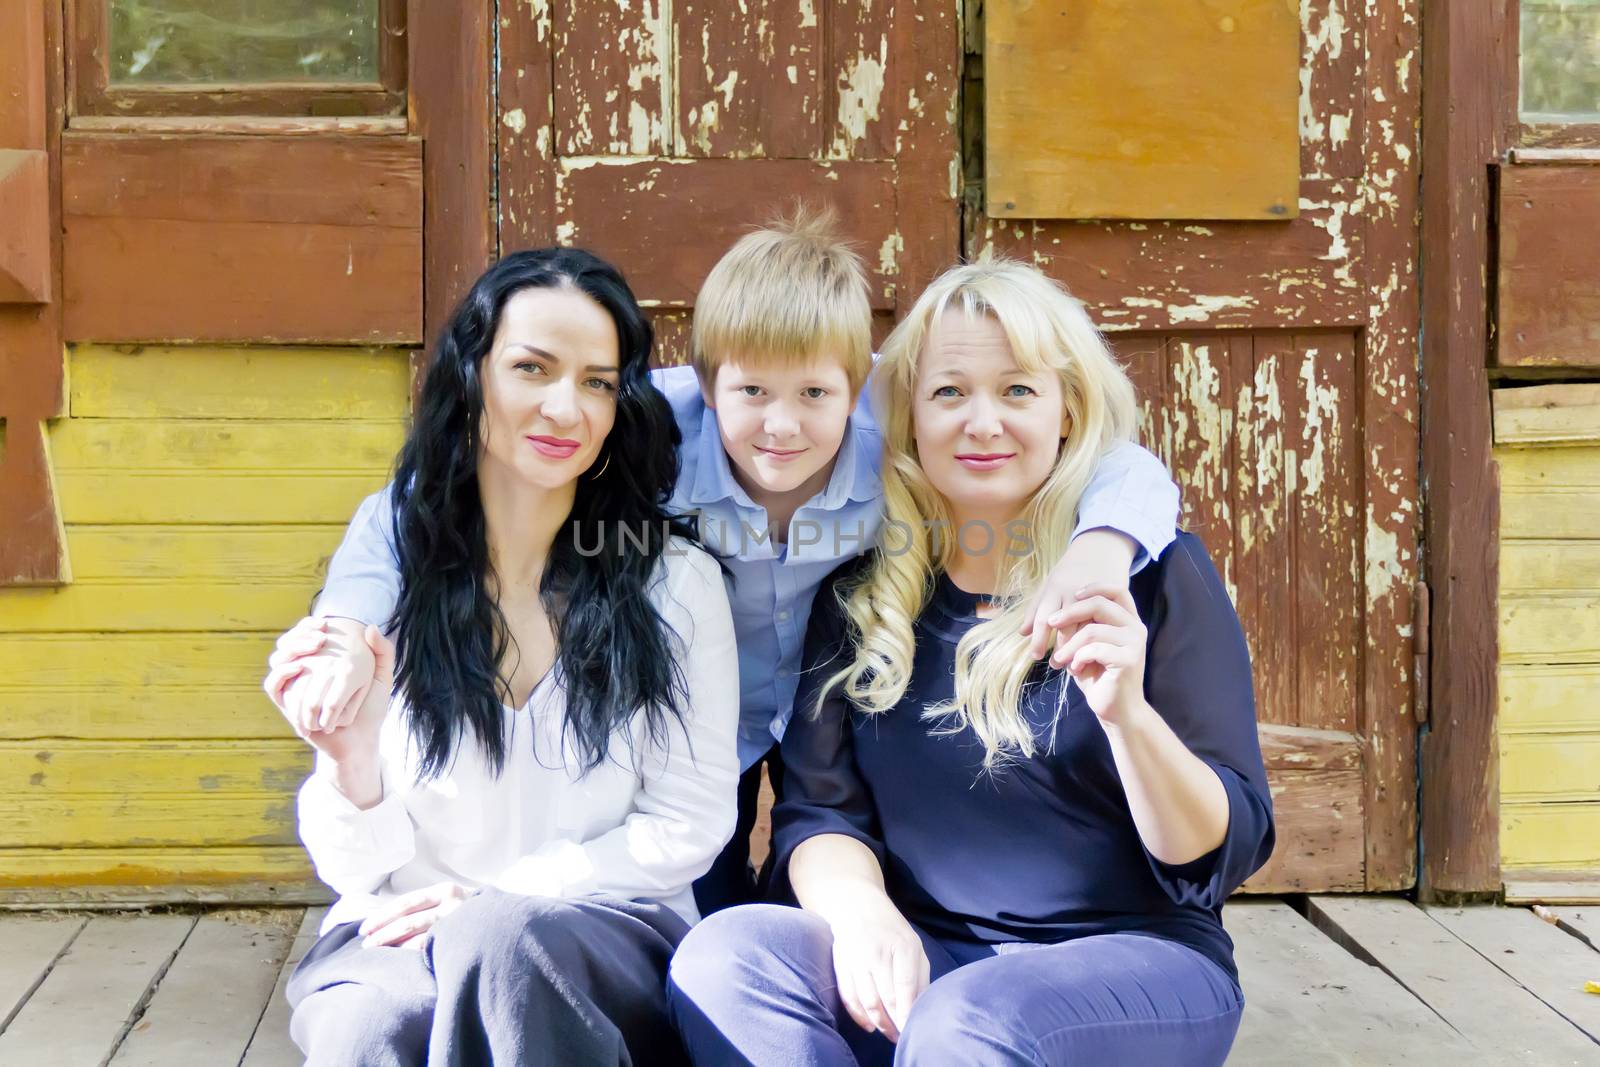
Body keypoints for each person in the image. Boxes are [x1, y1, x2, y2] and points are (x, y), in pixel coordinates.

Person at [265, 209, 1182, 917]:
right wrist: (347, 626)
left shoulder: (885, 443)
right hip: (703, 731)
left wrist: (1100, 551)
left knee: (833, 906)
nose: (780, 426)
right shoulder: (653, 429)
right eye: (749, 392)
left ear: (855, 387)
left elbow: (1126, 469)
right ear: (707, 383)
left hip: (840, 716)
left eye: (815, 394)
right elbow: (419, 497)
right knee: (694, 928)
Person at [667, 259, 1274, 1066]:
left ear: (1068, 412)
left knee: (969, 1020)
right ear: (906, 419)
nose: (982, 422)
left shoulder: (1152, 577)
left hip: (1134, 964)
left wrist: (1128, 715)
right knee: (723, 956)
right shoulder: (863, 589)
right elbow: (820, 814)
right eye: (950, 392)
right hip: (928, 963)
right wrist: (863, 916)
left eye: (1018, 391)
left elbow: (1217, 851)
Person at [273, 248, 738, 1066]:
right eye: (533, 368)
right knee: (361, 1028)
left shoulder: (673, 583)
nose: (567, 406)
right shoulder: (392, 568)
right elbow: (358, 866)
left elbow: (688, 825)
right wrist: (349, 766)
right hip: (401, 926)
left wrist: (501, 897)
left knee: (502, 940)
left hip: (605, 928)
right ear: (473, 375)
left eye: (598, 381)